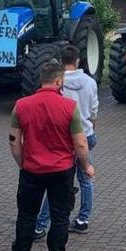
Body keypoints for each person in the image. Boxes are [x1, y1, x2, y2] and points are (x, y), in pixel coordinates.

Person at [8, 60, 94, 251]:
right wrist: (86, 166)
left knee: (26, 215)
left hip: (31, 169)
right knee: (59, 216)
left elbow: (14, 141)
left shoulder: (21, 105)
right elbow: (81, 143)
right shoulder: (69, 107)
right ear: (59, 81)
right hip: (61, 170)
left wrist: (22, 163)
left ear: (40, 79)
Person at [35, 45, 99, 237]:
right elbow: (94, 111)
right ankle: (83, 219)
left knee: (56, 182)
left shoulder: (58, 84)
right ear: (78, 60)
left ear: (61, 61)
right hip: (85, 135)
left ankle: (41, 225)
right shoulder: (89, 82)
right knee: (85, 178)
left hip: (63, 137)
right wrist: (90, 130)